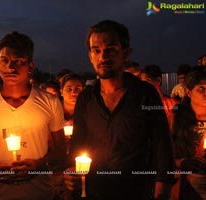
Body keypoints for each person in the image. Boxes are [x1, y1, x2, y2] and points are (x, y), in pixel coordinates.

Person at [63, 20, 175, 200]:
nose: (103, 57)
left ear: (126, 54)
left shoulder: (145, 94)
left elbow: (162, 149)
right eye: (96, 50)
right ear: (90, 56)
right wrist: (70, 178)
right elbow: (77, 146)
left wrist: (162, 192)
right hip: (93, 192)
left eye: (110, 49)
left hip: (136, 192)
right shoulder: (85, 99)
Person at [0, 31, 66, 200]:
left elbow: (61, 150)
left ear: (30, 66)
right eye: (5, 61)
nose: (10, 68)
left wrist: (38, 164)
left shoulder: (50, 102)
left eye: (18, 61)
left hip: (40, 193)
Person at [171, 66, 206, 200]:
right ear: (188, 92)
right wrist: (183, 162)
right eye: (201, 88)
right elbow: (162, 157)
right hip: (184, 189)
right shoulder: (176, 118)